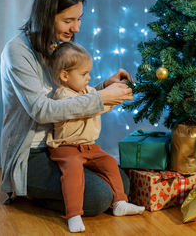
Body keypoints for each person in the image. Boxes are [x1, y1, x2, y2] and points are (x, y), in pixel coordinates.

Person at [0, 0, 133, 219]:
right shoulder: (17, 51)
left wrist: (103, 87)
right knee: (100, 197)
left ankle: (69, 190)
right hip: (32, 154)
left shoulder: (56, 45)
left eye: (79, 19)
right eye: (68, 20)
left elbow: (65, 96)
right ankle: (30, 193)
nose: (77, 28)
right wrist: (101, 98)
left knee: (123, 183)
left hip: (65, 145)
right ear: (46, 15)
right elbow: (42, 110)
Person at [46, 42, 144, 232]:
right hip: (67, 148)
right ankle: (74, 214)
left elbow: (101, 103)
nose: (89, 77)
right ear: (65, 75)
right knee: (72, 172)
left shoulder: (88, 91)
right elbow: (82, 107)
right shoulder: (61, 95)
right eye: (84, 74)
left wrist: (117, 95)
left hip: (90, 147)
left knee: (109, 162)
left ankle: (120, 203)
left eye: (89, 73)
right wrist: (103, 98)